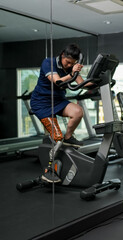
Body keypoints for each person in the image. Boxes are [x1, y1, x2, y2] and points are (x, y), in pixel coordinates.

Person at [30, 43, 85, 183]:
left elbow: (82, 83)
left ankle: (68, 137)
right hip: (41, 104)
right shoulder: (48, 63)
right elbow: (57, 82)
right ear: (62, 56)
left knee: (78, 112)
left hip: (58, 101)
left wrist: (98, 79)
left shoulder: (70, 67)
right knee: (57, 137)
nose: (68, 65)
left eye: (72, 63)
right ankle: (49, 171)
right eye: (67, 62)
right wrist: (72, 73)